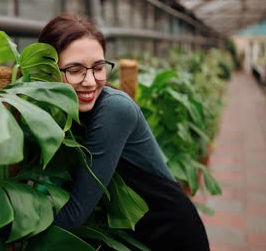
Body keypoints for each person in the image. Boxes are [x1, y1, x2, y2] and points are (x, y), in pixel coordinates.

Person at [38, 13, 210, 251]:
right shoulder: (55, 109)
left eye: (98, 67)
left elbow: (74, 213)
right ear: (48, 69)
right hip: (128, 236)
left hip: (169, 234)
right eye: (75, 69)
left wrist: (9, 231)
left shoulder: (114, 108)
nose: (90, 81)